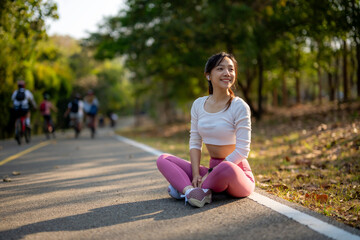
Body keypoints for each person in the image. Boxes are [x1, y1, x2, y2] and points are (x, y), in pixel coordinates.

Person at [156, 52, 255, 208]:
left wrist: (210, 173)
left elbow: (243, 150)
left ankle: (187, 189)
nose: (227, 73)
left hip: (236, 172)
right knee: (163, 159)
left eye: (231, 69)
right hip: (210, 171)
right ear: (208, 75)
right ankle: (190, 191)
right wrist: (196, 174)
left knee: (225, 167)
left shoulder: (239, 106)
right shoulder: (198, 104)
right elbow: (195, 142)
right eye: (220, 69)